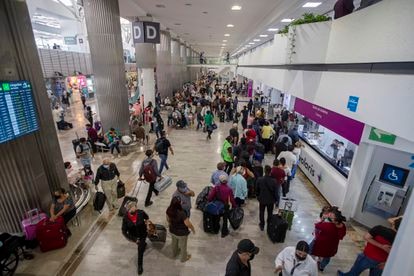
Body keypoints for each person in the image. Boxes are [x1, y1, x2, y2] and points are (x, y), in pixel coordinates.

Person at [338, 217, 402, 276]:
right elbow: (398, 255)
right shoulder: (402, 240)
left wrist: (381, 246)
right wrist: (386, 263)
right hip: (382, 262)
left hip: (367, 257)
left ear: (393, 223)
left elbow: (366, 237)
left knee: (354, 272)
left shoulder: (379, 228)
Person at [121, 201, 150, 275]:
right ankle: (143, 245)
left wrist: (147, 226)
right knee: (141, 246)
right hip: (134, 236)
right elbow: (124, 231)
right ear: (129, 209)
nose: (135, 210)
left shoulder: (141, 212)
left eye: (136, 208)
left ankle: (140, 266)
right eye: (133, 209)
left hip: (143, 234)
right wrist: (134, 239)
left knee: (140, 251)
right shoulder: (125, 218)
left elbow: (147, 218)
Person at [166, 196, 196, 263]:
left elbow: (168, 220)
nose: (181, 202)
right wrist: (193, 229)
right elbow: (188, 224)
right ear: (178, 204)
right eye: (180, 202)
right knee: (183, 246)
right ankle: (183, 258)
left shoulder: (168, 210)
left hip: (172, 230)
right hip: (182, 233)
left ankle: (174, 253)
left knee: (174, 243)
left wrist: (171, 225)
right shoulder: (182, 213)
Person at [256, 165, 277, 231]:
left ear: (265, 171)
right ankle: (269, 225)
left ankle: (262, 225)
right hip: (271, 200)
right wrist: (276, 200)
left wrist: (258, 196)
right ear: (270, 171)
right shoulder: (274, 181)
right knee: (270, 213)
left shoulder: (260, 179)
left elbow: (257, 189)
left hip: (262, 199)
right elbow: (275, 192)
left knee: (261, 212)